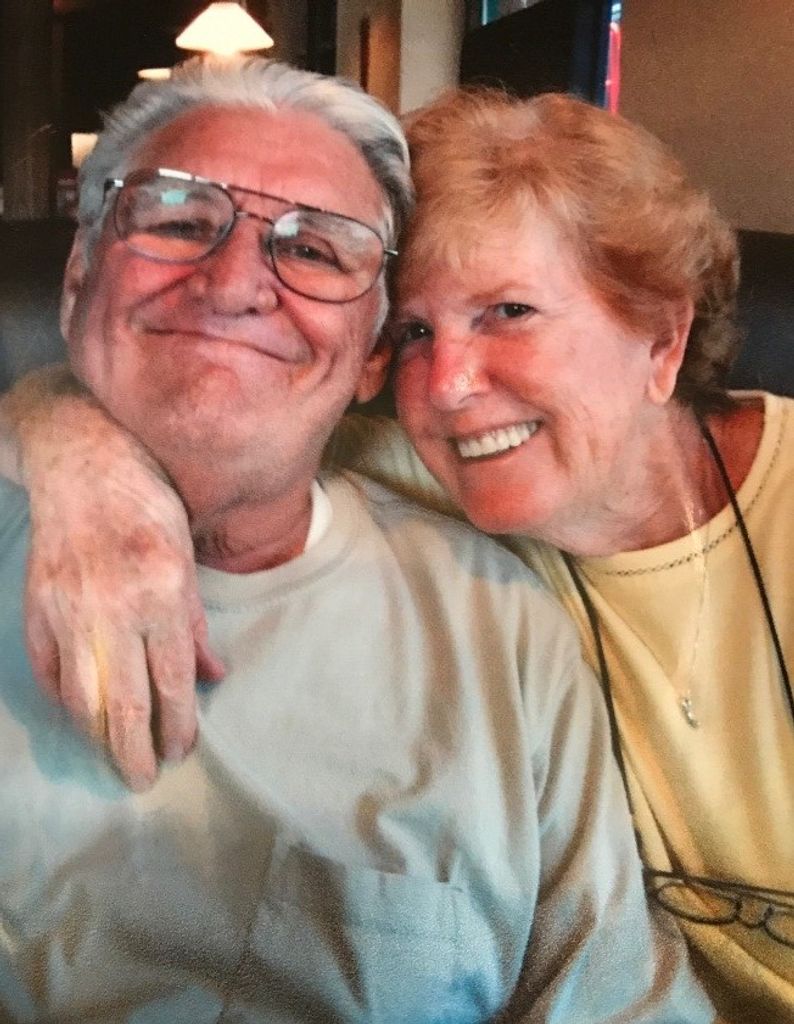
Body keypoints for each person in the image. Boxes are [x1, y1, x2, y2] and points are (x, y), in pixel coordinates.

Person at [4, 84, 791, 1021]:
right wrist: (71, 448)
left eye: (509, 311)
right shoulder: (418, 458)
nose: (448, 385)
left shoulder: (502, 596)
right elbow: (216, 387)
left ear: (662, 340)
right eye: (415, 330)